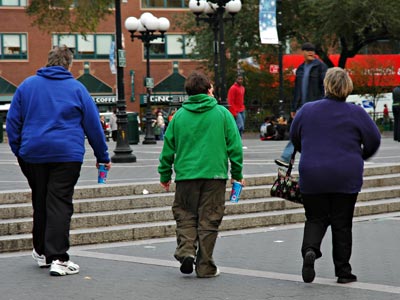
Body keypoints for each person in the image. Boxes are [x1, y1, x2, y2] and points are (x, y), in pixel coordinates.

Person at [6, 45, 111, 276]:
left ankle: (42, 251)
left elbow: (13, 122)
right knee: (60, 202)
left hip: (33, 153)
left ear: (48, 61)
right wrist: (102, 156)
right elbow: (93, 125)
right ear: (69, 64)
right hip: (66, 154)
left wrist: (19, 150)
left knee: (41, 199)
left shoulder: (27, 86)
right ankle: (58, 258)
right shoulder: (77, 89)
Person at [290, 67, 381, 284]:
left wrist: (310, 152)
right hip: (345, 175)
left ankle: (310, 250)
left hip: (312, 174)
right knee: (342, 222)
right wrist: (360, 155)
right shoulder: (356, 112)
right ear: (347, 87)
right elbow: (374, 139)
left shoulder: (307, 110)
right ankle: (343, 271)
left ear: (326, 85)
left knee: (315, 217)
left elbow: (294, 136)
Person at [158, 71, 244, 278]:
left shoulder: (178, 116)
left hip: (186, 175)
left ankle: (187, 250)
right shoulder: (222, 114)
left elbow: (168, 148)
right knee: (209, 220)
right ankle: (205, 266)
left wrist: (165, 175)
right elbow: (235, 147)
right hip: (215, 176)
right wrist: (237, 174)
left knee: (185, 214)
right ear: (208, 90)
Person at [275, 42, 328, 167]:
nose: (311, 52)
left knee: (305, 132)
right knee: (300, 131)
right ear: (302, 52)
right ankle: (290, 158)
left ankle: (288, 157)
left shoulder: (321, 67)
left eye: (313, 50)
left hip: (316, 106)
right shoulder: (300, 69)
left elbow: (326, 87)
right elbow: (297, 90)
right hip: (302, 107)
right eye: (308, 50)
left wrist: (324, 104)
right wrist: (294, 107)